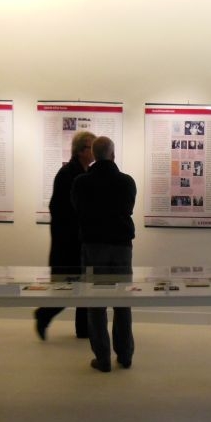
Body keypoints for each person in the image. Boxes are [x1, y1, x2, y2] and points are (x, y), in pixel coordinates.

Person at [71, 136, 137, 372]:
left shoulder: (81, 182)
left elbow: (77, 210)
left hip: (93, 247)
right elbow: (128, 208)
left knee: (96, 303)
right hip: (121, 247)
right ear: (113, 154)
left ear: (94, 155)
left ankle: (103, 358)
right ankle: (125, 355)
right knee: (123, 302)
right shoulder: (126, 182)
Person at [34, 130, 96, 340]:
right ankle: (44, 314)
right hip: (68, 241)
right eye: (90, 147)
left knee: (84, 283)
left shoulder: (84, 172)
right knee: (68, 286)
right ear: (80, 151)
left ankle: (83, 328)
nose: (93, 151)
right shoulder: (68, 174)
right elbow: (60, 208)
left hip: (79, 239)